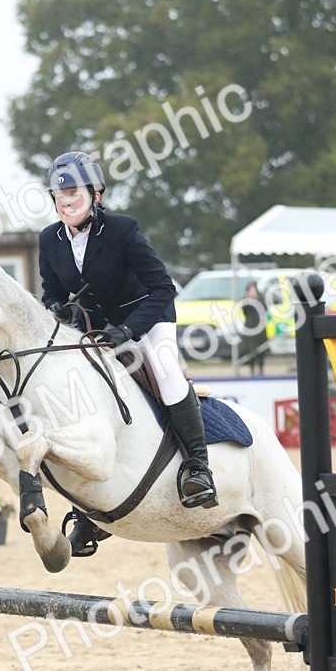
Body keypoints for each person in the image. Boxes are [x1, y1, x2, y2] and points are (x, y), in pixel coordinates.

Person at [38, 150, 217, 556]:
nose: (65, 202)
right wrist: (56, 310)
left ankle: (198, 468)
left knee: (166, 369)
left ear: (95, 195)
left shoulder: (122, 231)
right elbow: (52, 291)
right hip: (98, 330)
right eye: (59, 196)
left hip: (147, 320)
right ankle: (89, 511)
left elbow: (163, 289)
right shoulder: (49, 239)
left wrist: (129, 330)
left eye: (73, 194)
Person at [240, 280, 268, 375]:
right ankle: (251, 371)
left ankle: (261, 371)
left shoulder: (261, 299)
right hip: (250, 328)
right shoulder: (245, 301)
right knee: (250, 351)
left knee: (261, 352)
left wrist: (257, 299)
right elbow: (244, 310)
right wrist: (249, 299)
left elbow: (265, 309)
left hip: (260, 329)